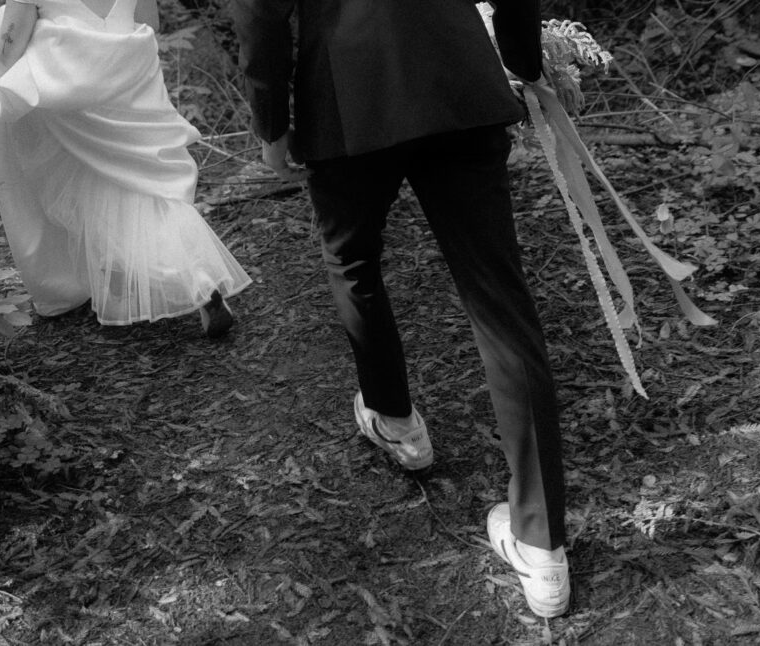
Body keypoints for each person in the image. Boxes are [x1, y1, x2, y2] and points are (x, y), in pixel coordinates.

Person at [231, 0, 570, 617]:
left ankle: (395, 421)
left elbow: (259, 14)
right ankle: (542, 544)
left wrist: (271, 126)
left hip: (346, 96)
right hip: (458, 79)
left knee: (352, 260)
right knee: (500, 299)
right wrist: (524, 64)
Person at [0, 0, 251, 337]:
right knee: (151, 187)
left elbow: (10, 50)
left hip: (69, 86)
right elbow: (148, 22)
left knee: (85, 181)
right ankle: (200, 280)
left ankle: (151, 277)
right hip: (129, 77)